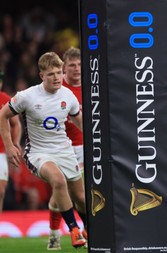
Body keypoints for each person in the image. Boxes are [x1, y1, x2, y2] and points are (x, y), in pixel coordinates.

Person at [0, 52, 87, 248]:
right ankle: (73, 230)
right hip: (38, 153)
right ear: (41, 76)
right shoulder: (27, 96)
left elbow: (79, 121)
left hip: (64, 150)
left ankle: (87, 229)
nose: (56, 78)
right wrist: (9, 145)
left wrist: (96, 139)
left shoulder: (68, 95)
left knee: (81, 198)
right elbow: (3, 115)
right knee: (58, 179)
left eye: (58, 73)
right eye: (51, 74)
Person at [46, 47, 86, 250]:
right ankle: (55, 233)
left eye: (79, 65)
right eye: (72, 65)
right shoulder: (58, 89)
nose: (77, 69)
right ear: (64, 68)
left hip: (89, 148)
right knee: (61, 193)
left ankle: (88, 230)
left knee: (85, 194)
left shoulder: (91, 87)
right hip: (65, 149)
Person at [0, 71, 22, 212]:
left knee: (1, 191)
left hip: (1, 151)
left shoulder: (5, 100)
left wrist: (15, 144)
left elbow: (16, 124)